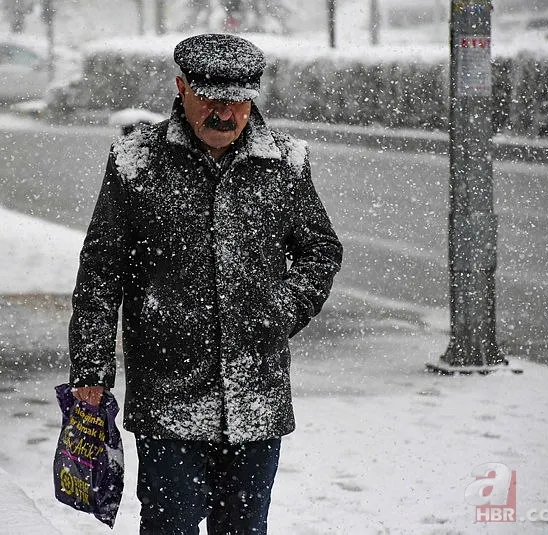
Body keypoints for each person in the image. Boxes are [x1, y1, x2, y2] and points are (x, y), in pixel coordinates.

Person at [68, 33, 343, 534]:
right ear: (181, 88)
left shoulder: (285, 163)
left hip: (255, 397)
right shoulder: (137, 162)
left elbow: (320, 252)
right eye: (213, 99)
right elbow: (101, 271)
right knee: (168, 527)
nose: (227, 113)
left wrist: (280, 311)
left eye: (239, 100)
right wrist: (91, 367)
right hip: (167, 397)